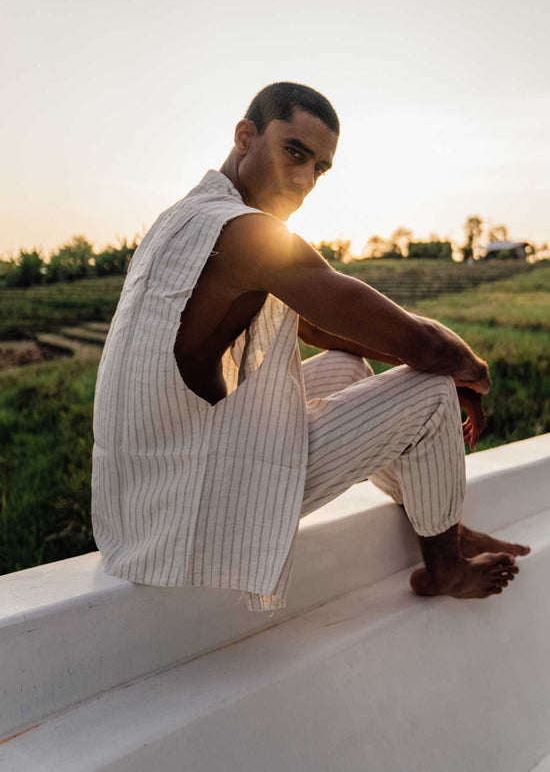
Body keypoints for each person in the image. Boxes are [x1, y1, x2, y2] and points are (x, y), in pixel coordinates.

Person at [91, 82, 529, 612]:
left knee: (347, 366)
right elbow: (427, 347)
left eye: (319, 168)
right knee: (432, 390)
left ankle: (440, 519)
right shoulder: (245, 233)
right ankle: (446, 567)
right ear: (245, 136)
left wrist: (432, 357)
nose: (303, 180)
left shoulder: (185, 217)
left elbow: (320, 329)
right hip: (194, 501)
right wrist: (473, 374)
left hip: (145, 491)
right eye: (294, 152)